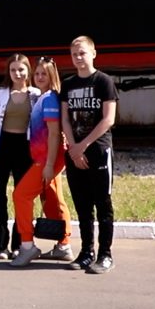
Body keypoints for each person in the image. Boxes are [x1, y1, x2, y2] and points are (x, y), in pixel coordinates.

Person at [60, 35, 118, 274]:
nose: (78, 58)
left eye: (82, 53)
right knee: (82, 206)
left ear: (93, 53)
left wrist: (83, 146)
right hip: (74, 152)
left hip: (98, 150)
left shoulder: (104, 81)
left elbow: (108, 119)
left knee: (103, 204)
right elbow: (65, 119)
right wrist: (73, 149)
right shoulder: (68, 84)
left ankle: (105, 254)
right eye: (74, 54)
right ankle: (86, 252)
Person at [10, 56, 73, 266]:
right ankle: (64, 245)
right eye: (36, 73)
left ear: (52, 75)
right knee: (54, 199)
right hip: (46, 158)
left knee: (21, 195)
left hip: (47, 159)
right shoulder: (44, 97)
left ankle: (27, 245)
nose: (39, 77)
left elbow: (54, 134)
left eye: (44, 74)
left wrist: (48, 165)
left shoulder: (49, 99)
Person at [0, 53, 39, 259]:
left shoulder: (35, 94)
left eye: (21, 69)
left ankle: (19, 243)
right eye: (13, 70)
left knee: (22, 195)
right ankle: (0, 244)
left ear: (28, 71)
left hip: (25, 147)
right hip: (2, 145)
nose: (17, 73)